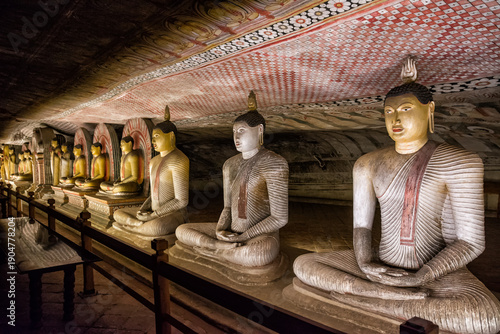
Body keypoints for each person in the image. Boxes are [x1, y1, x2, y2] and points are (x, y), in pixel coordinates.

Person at [292, 60, 500, 334]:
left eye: (406, 109)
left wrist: (423, 275)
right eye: (389, 112)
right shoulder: (367, 163)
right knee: (305, 264)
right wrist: (366, 263)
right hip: (380, 265)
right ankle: (378, 294)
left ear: (430, 111)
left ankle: (364, 297)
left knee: (485, 316)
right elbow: (361, 226)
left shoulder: (460, 161)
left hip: (436, 272)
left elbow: (470, 242)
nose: (396, 120)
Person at [175, 95, 289, 267]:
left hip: (259, 236)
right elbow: (228, 207)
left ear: (259, 131)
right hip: (231, 232)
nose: (236, 136)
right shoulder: (230, 164)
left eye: (241, 131)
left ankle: (212, 250)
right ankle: (218, 247)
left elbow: (279, 218)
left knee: (260, 254)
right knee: (181, 230)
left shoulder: (275, 163)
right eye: (234, 132)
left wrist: (244, 237)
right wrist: (220, 230)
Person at [113, 108, 189, 240]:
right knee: (118, 213)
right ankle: (137, 225)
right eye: (152, 138)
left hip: (173, 214)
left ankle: (133, 227)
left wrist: (153, 216)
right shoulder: (154, 161)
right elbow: (153, 193)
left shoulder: (180, 159)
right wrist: (144, 209)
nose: (153, 141)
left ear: (171, 136)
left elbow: (181, 200)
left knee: (158, 227)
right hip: (152, 211)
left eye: (157, 137)